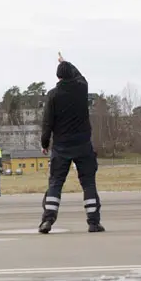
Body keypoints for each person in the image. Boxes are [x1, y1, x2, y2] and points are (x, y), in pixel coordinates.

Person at [39, 52, 105, 233]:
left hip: (61, 146)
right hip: (83, 144)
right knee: (88, 183)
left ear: (58, 76)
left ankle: (48, 220)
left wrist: (45, 143)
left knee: (56, 183)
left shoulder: (53, 95)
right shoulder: (82, 88)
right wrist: (66, 62)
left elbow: (47, 123)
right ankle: (93, 222)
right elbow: (79, 75)